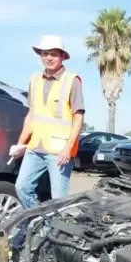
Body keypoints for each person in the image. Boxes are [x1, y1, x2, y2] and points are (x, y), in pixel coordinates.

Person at [11, 35, 85, 208]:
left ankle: (56, 231)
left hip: (59, 152)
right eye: (45, 54)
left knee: (58, 199)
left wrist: (68, 148)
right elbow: (31, 115)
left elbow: (78, 117)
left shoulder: (71, 80)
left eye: (53, 54)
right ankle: (41, 223)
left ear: (62, 56)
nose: (49, 58)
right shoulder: (35, 79)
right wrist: (20, 144)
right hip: (35, 148)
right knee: (22, 187)